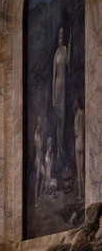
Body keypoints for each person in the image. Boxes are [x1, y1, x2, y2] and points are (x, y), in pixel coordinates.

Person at [52, 27, 69, 159]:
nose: (61, 36)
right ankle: (57, 149)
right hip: (57, 87)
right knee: (58, 119)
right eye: (60, 34)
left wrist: (71, 46)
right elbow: (53, 78)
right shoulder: (56, 54)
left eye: (63, 34)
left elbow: (68, 66)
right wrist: (53, 98)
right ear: (57, 36)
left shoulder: (65, 50)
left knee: (63, 119)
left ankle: (61, 147)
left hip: (64, 87)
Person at [32, 116, 45, 207]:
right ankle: (36, 201)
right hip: (37, 159)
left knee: (44, 175)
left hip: (40, 159)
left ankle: (40, 196)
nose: (40, 126)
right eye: (39, 124)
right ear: (37, 125)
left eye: (40, 124)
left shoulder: (39, 134)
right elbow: (39, 147)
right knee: (37, 180)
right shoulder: (36, 135)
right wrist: (42, 139)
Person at [74, 99, 85, 197]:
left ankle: (80, 193)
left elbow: (76, 133)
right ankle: (84, 192)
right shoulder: (83, 114)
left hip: (77, 143)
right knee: (82, 170)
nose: (73, 104)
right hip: (83, 142)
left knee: (78, 170)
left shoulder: (77, 117)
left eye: (74, 103)